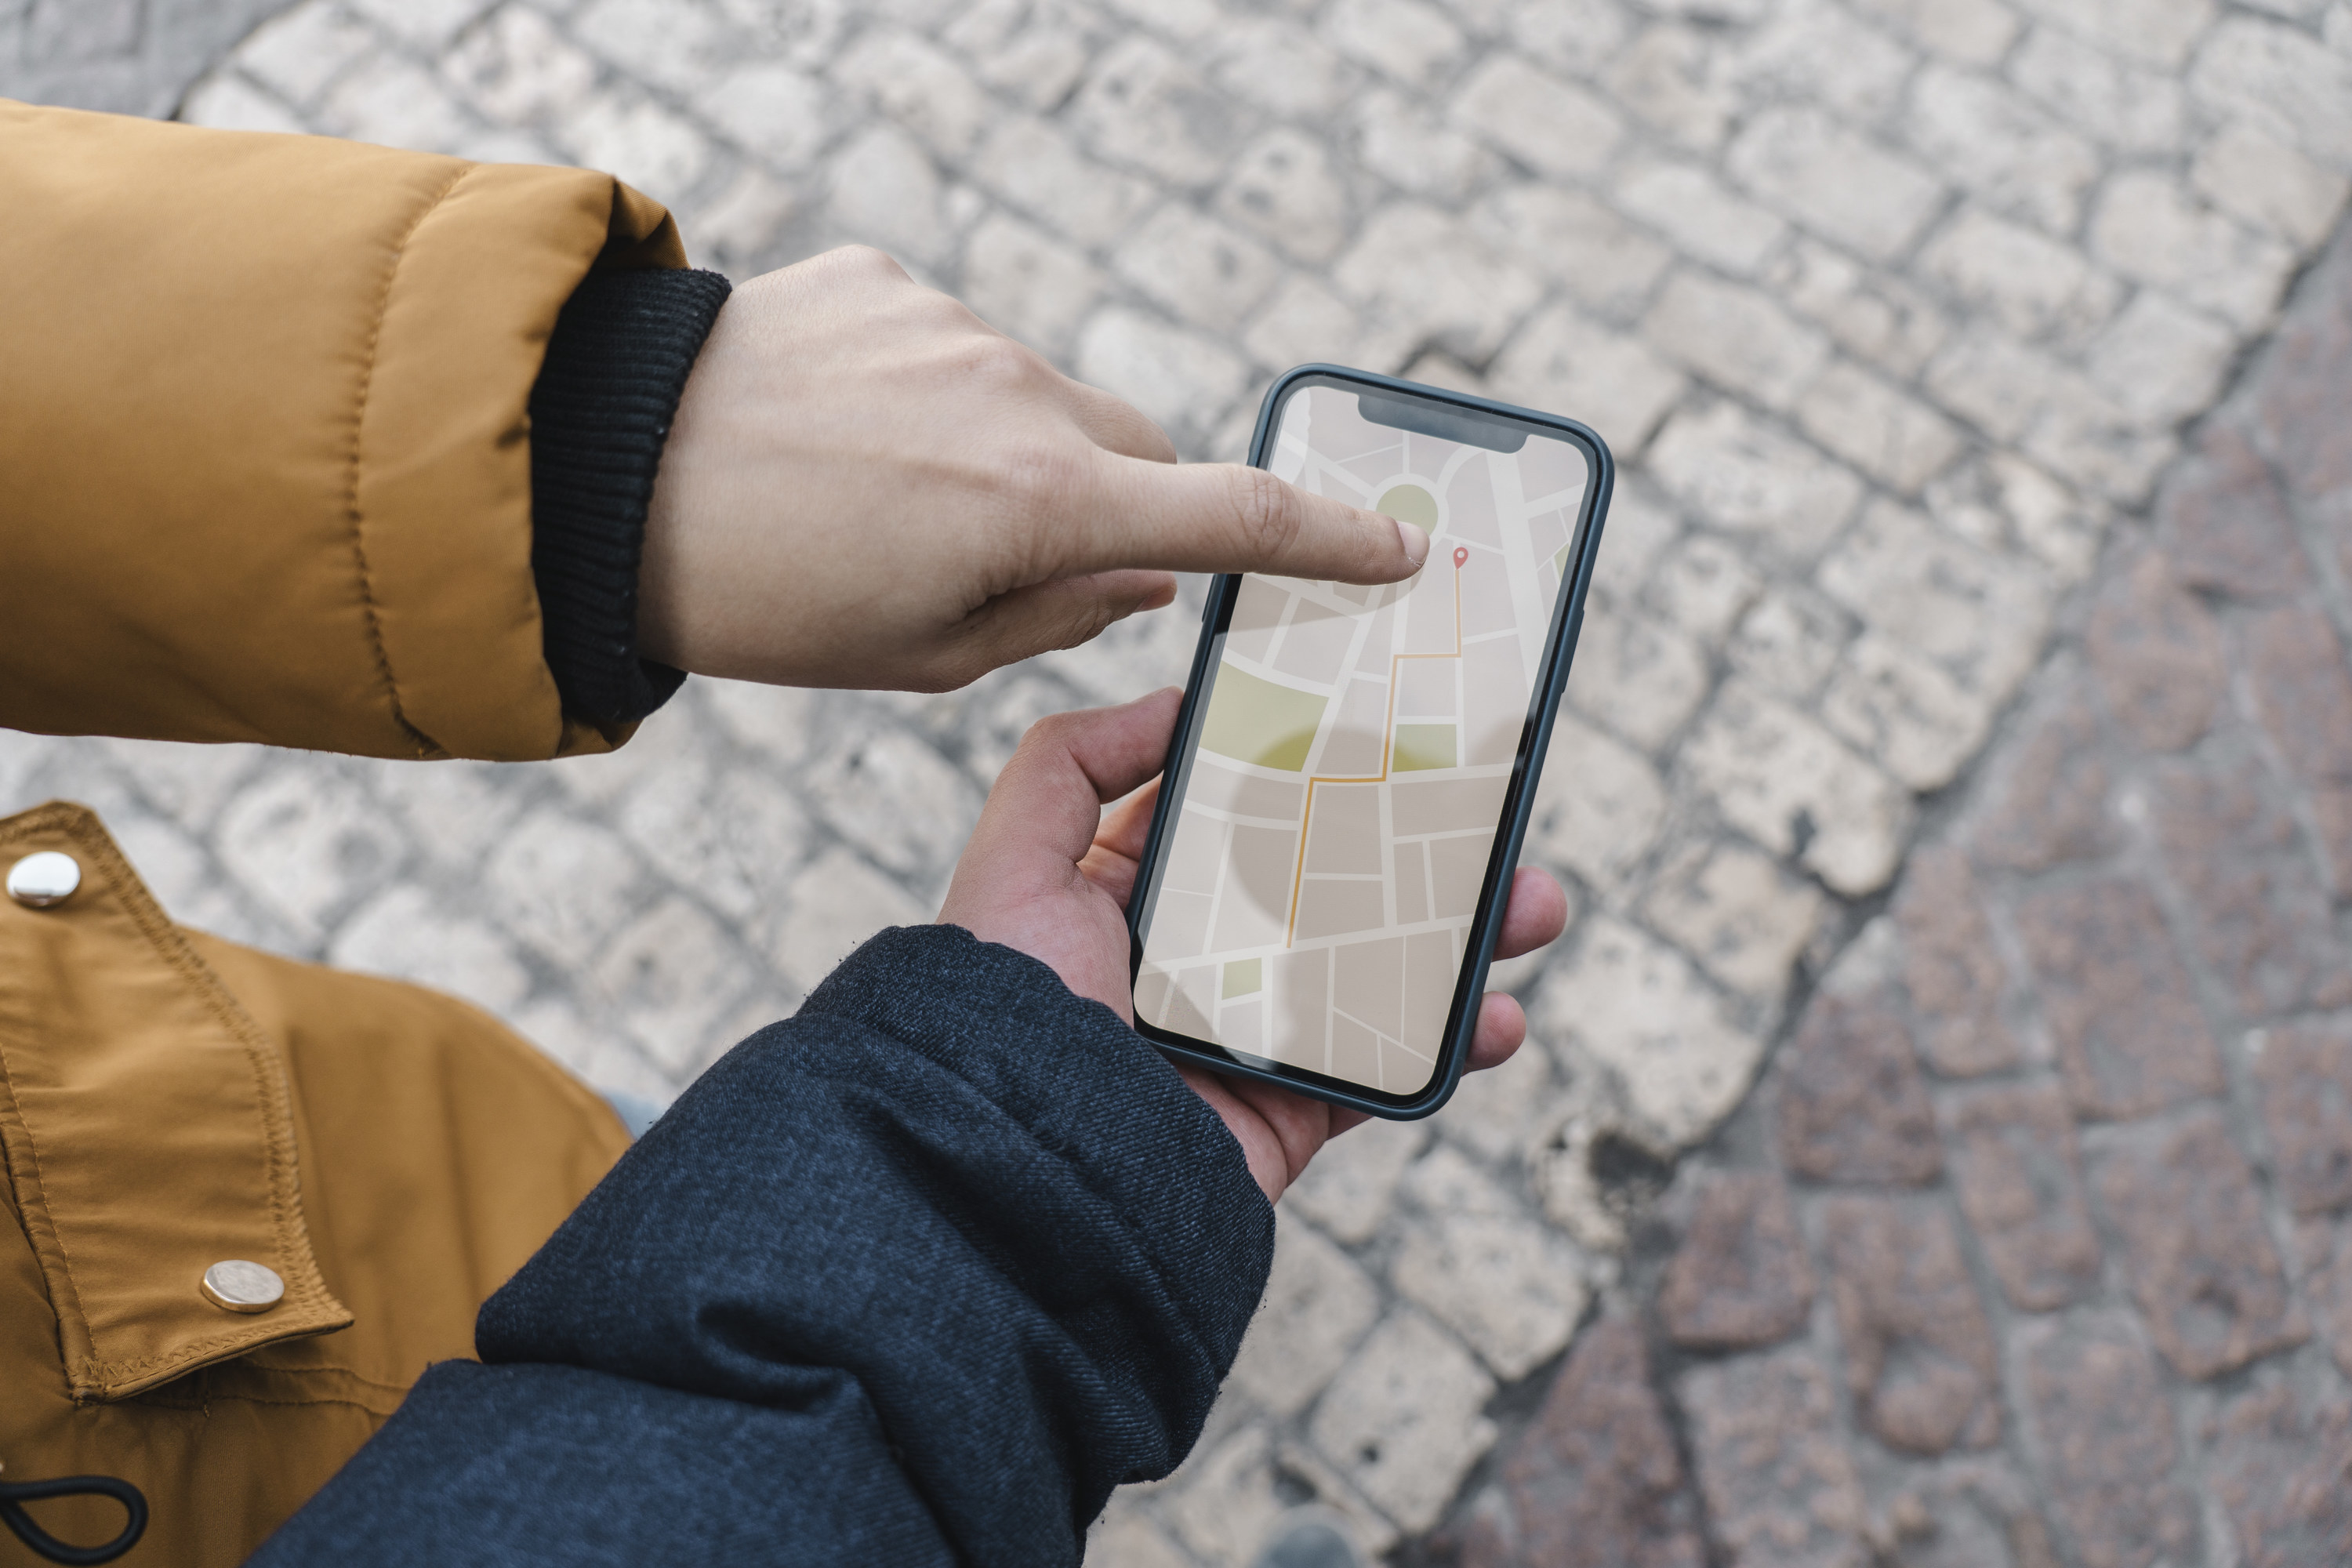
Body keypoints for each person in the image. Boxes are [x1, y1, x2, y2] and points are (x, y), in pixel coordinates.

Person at [0, 100, 1565, 1566]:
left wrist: (593, 439)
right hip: (688, 1309)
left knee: (575, 1159)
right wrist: (996, 1208)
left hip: (348, 1165)